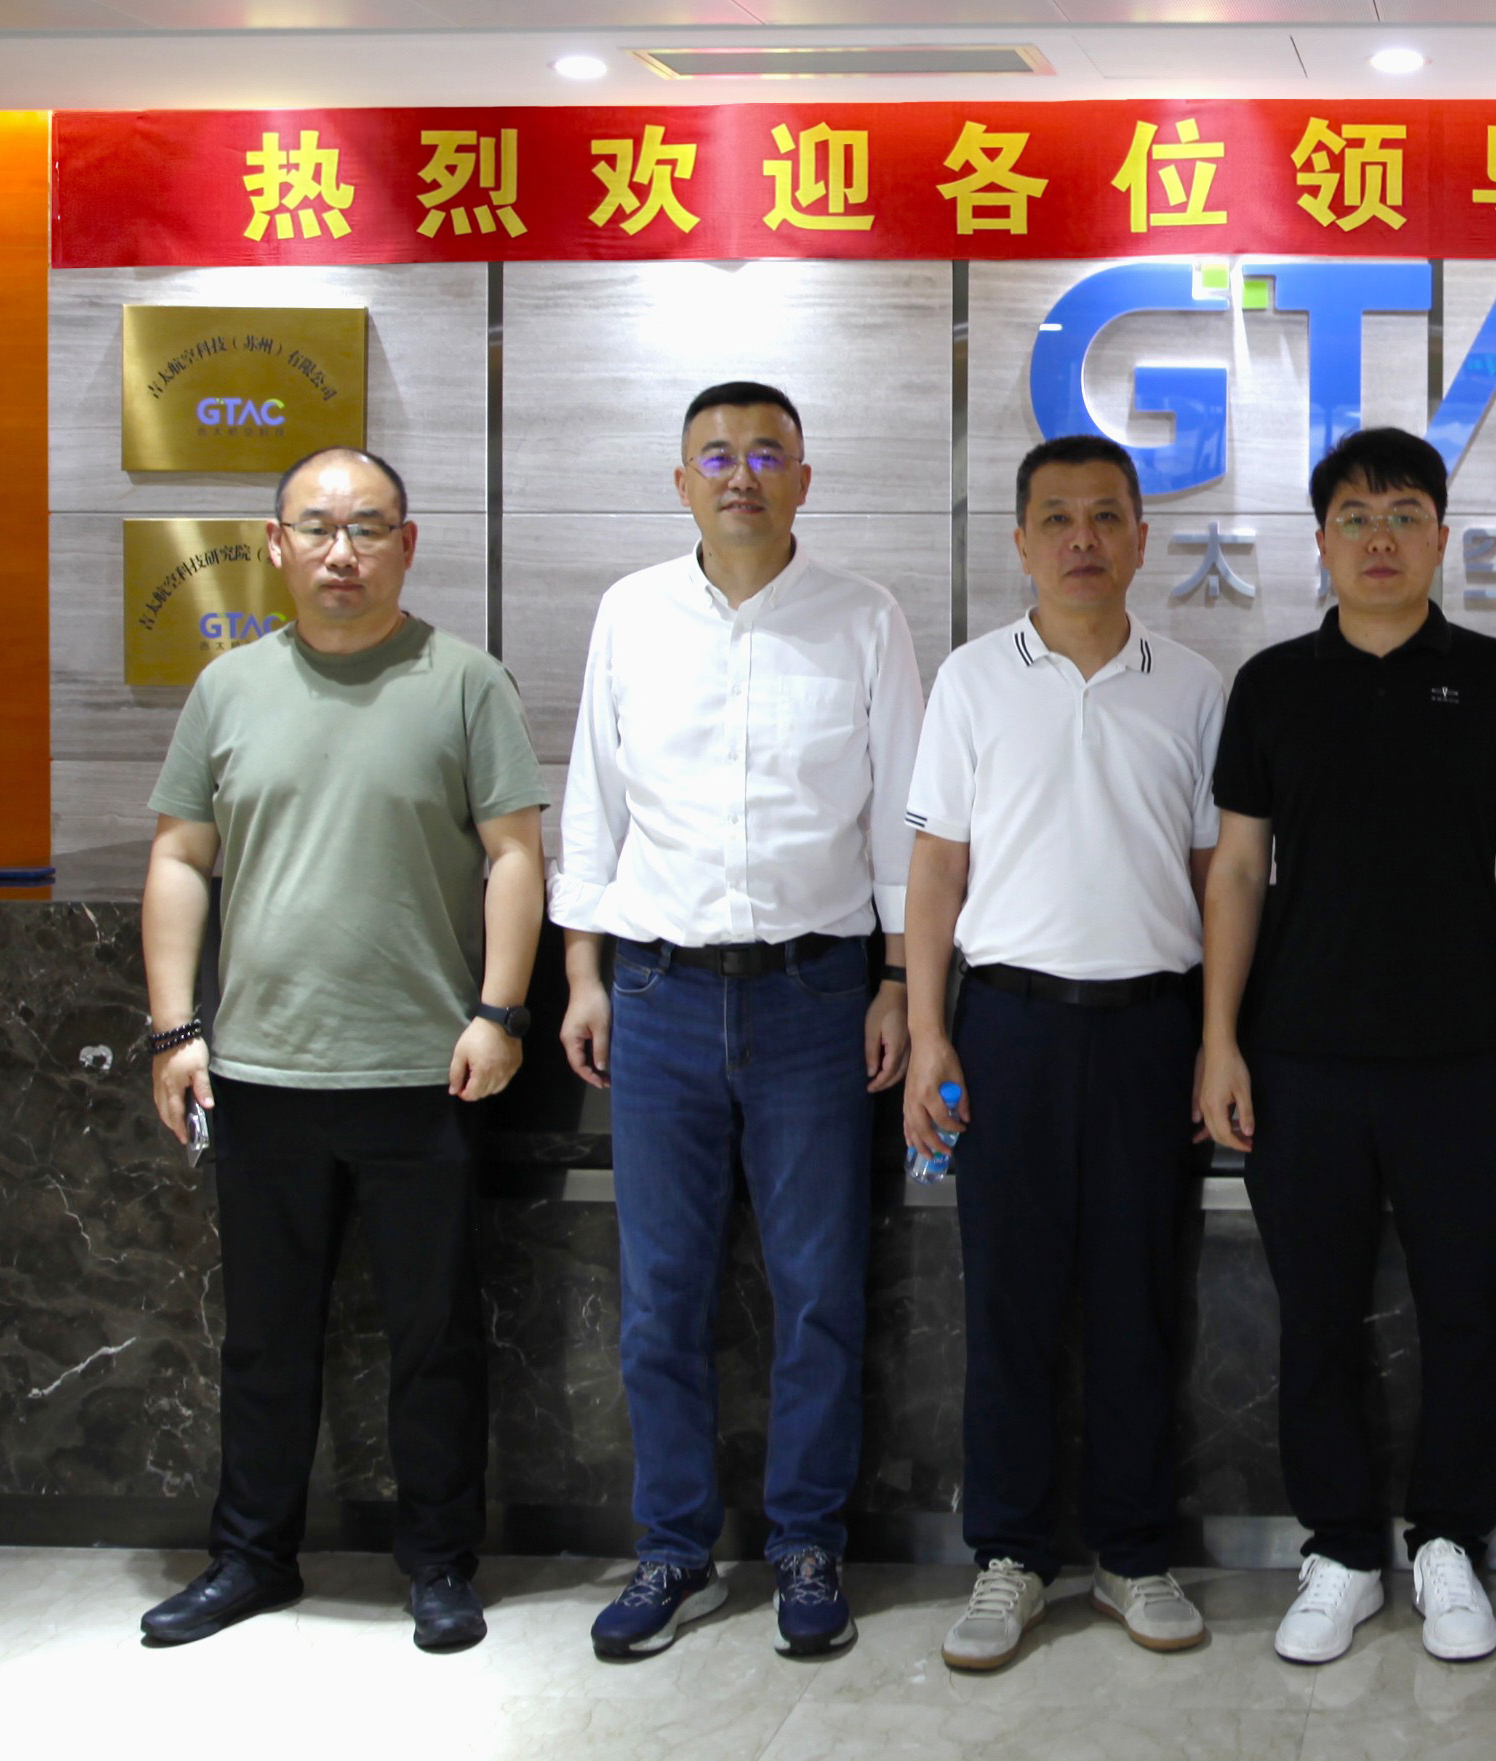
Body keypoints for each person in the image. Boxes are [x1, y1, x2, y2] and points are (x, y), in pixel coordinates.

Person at [139, 446, 547, 1654]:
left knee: (435, 1340)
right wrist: (175, 1027)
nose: (341, 550)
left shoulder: (465, 682)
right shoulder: (228, 689)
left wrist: (500, 1013)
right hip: (261, 1071)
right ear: (275, 545)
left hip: (426, 1071)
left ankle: (440, 1563)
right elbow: (179, 857)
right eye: (316, 527)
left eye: (368, 527)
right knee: (265, 1338)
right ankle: (250, 1556)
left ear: (406, 545)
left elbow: (515, 853)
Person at [553, 382, 923, 1661]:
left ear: (805, 479)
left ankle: (807, 1541)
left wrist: (895, 983)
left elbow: (901, 817)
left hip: (818, 995)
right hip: (656, 995)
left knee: (818, 1288)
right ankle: (671, 1548)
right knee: (659, 1293)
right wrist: (583, 973)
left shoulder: (864, 617)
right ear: (681, 483)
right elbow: (593, 802)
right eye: (716, 455)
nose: (741, 475)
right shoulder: (629, 614)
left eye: (768, 454)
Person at [1195, 425, 1496, 1667]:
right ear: (1320, 542)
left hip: (1461, 1057)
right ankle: (1343, 1551)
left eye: (1404, 515)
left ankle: (1450, 1542)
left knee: (1463, 1311)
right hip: (1297, 1056)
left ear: (1441, 538)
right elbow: (1237, 870)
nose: (1379, 538)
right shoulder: (1271, 686)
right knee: (1316, 1316)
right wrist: (1218, 1041)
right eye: (1354, 518)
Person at [915, 436, 1224, 1671]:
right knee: (1011, 1300)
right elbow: (936, 869)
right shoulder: (971, 680)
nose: (1082, 539)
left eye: (1105, 517)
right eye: (1057, 518)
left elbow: (1218, 878)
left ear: (1143, 538)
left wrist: (1217, 1039)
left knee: (1138, 1299)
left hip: (1154, 1026)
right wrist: (929, 1029)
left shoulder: (1193, 686)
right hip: (1009, 1026)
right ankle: (1009, 1556)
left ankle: (1134, 1554)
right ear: (1021, 541)